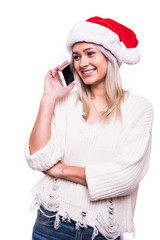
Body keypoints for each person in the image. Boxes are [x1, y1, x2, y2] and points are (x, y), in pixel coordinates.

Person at [25, 16, 153, 240]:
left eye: (90, 53)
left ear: (110, 56)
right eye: (76, 56)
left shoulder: (139, 108)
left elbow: (124, 177)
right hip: (51, 222)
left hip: (101, 230)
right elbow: (38, 158)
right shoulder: (65, 103)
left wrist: (61, 170)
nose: (82, 63)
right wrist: (48, 98)